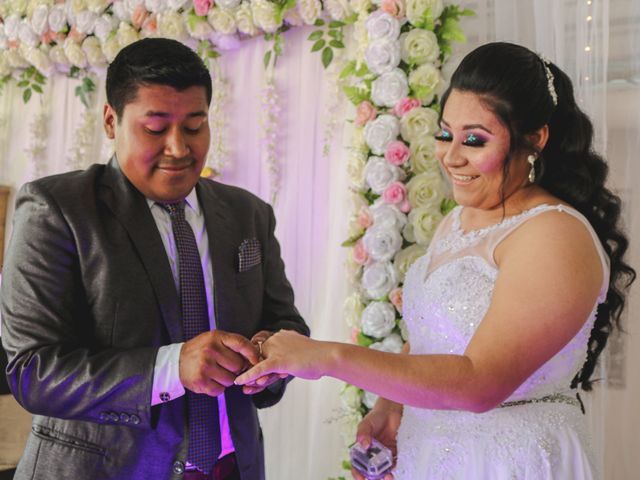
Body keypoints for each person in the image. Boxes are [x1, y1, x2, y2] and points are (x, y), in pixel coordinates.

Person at [236, 42, 636, 479]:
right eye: (446, 134)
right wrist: (392, 407)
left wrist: (325, 357)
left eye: (474, 140)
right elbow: (436, 336)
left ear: (535, 139)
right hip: (431, 455)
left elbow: (480, 382)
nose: (451, 155)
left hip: (509, 463)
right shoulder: (459, 221)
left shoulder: (553, 235)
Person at [0, 38, 308, 480]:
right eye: (156, 127)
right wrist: (171, 368)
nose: (179, 148)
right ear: (111, 120)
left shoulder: (248, 213)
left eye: (195, 125)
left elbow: (286, 323)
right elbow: (34, 372)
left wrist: (269, 356)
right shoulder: (57, 209)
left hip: (230, 466)